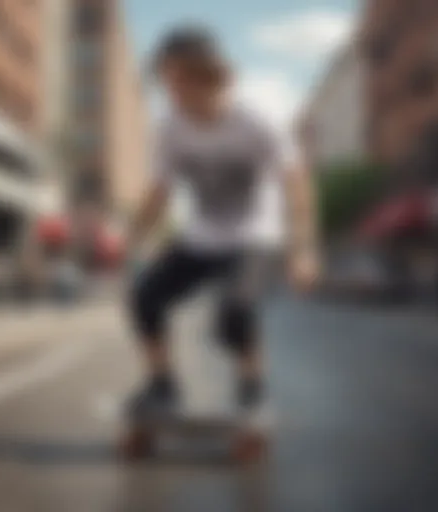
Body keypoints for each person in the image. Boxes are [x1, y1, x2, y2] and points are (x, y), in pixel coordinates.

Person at [125, 26, 319, 419]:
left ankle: (252, 385)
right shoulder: (168, 128)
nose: (171, 90)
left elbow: (297, 186)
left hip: (255, 236)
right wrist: (131, 238)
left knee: (233, 313)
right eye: (166, 80)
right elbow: (159, 193)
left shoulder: (257, 119)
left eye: (179, 79)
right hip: (202, 237)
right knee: (144, 297)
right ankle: (162, 386)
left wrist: (304, 250)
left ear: (208, 75)